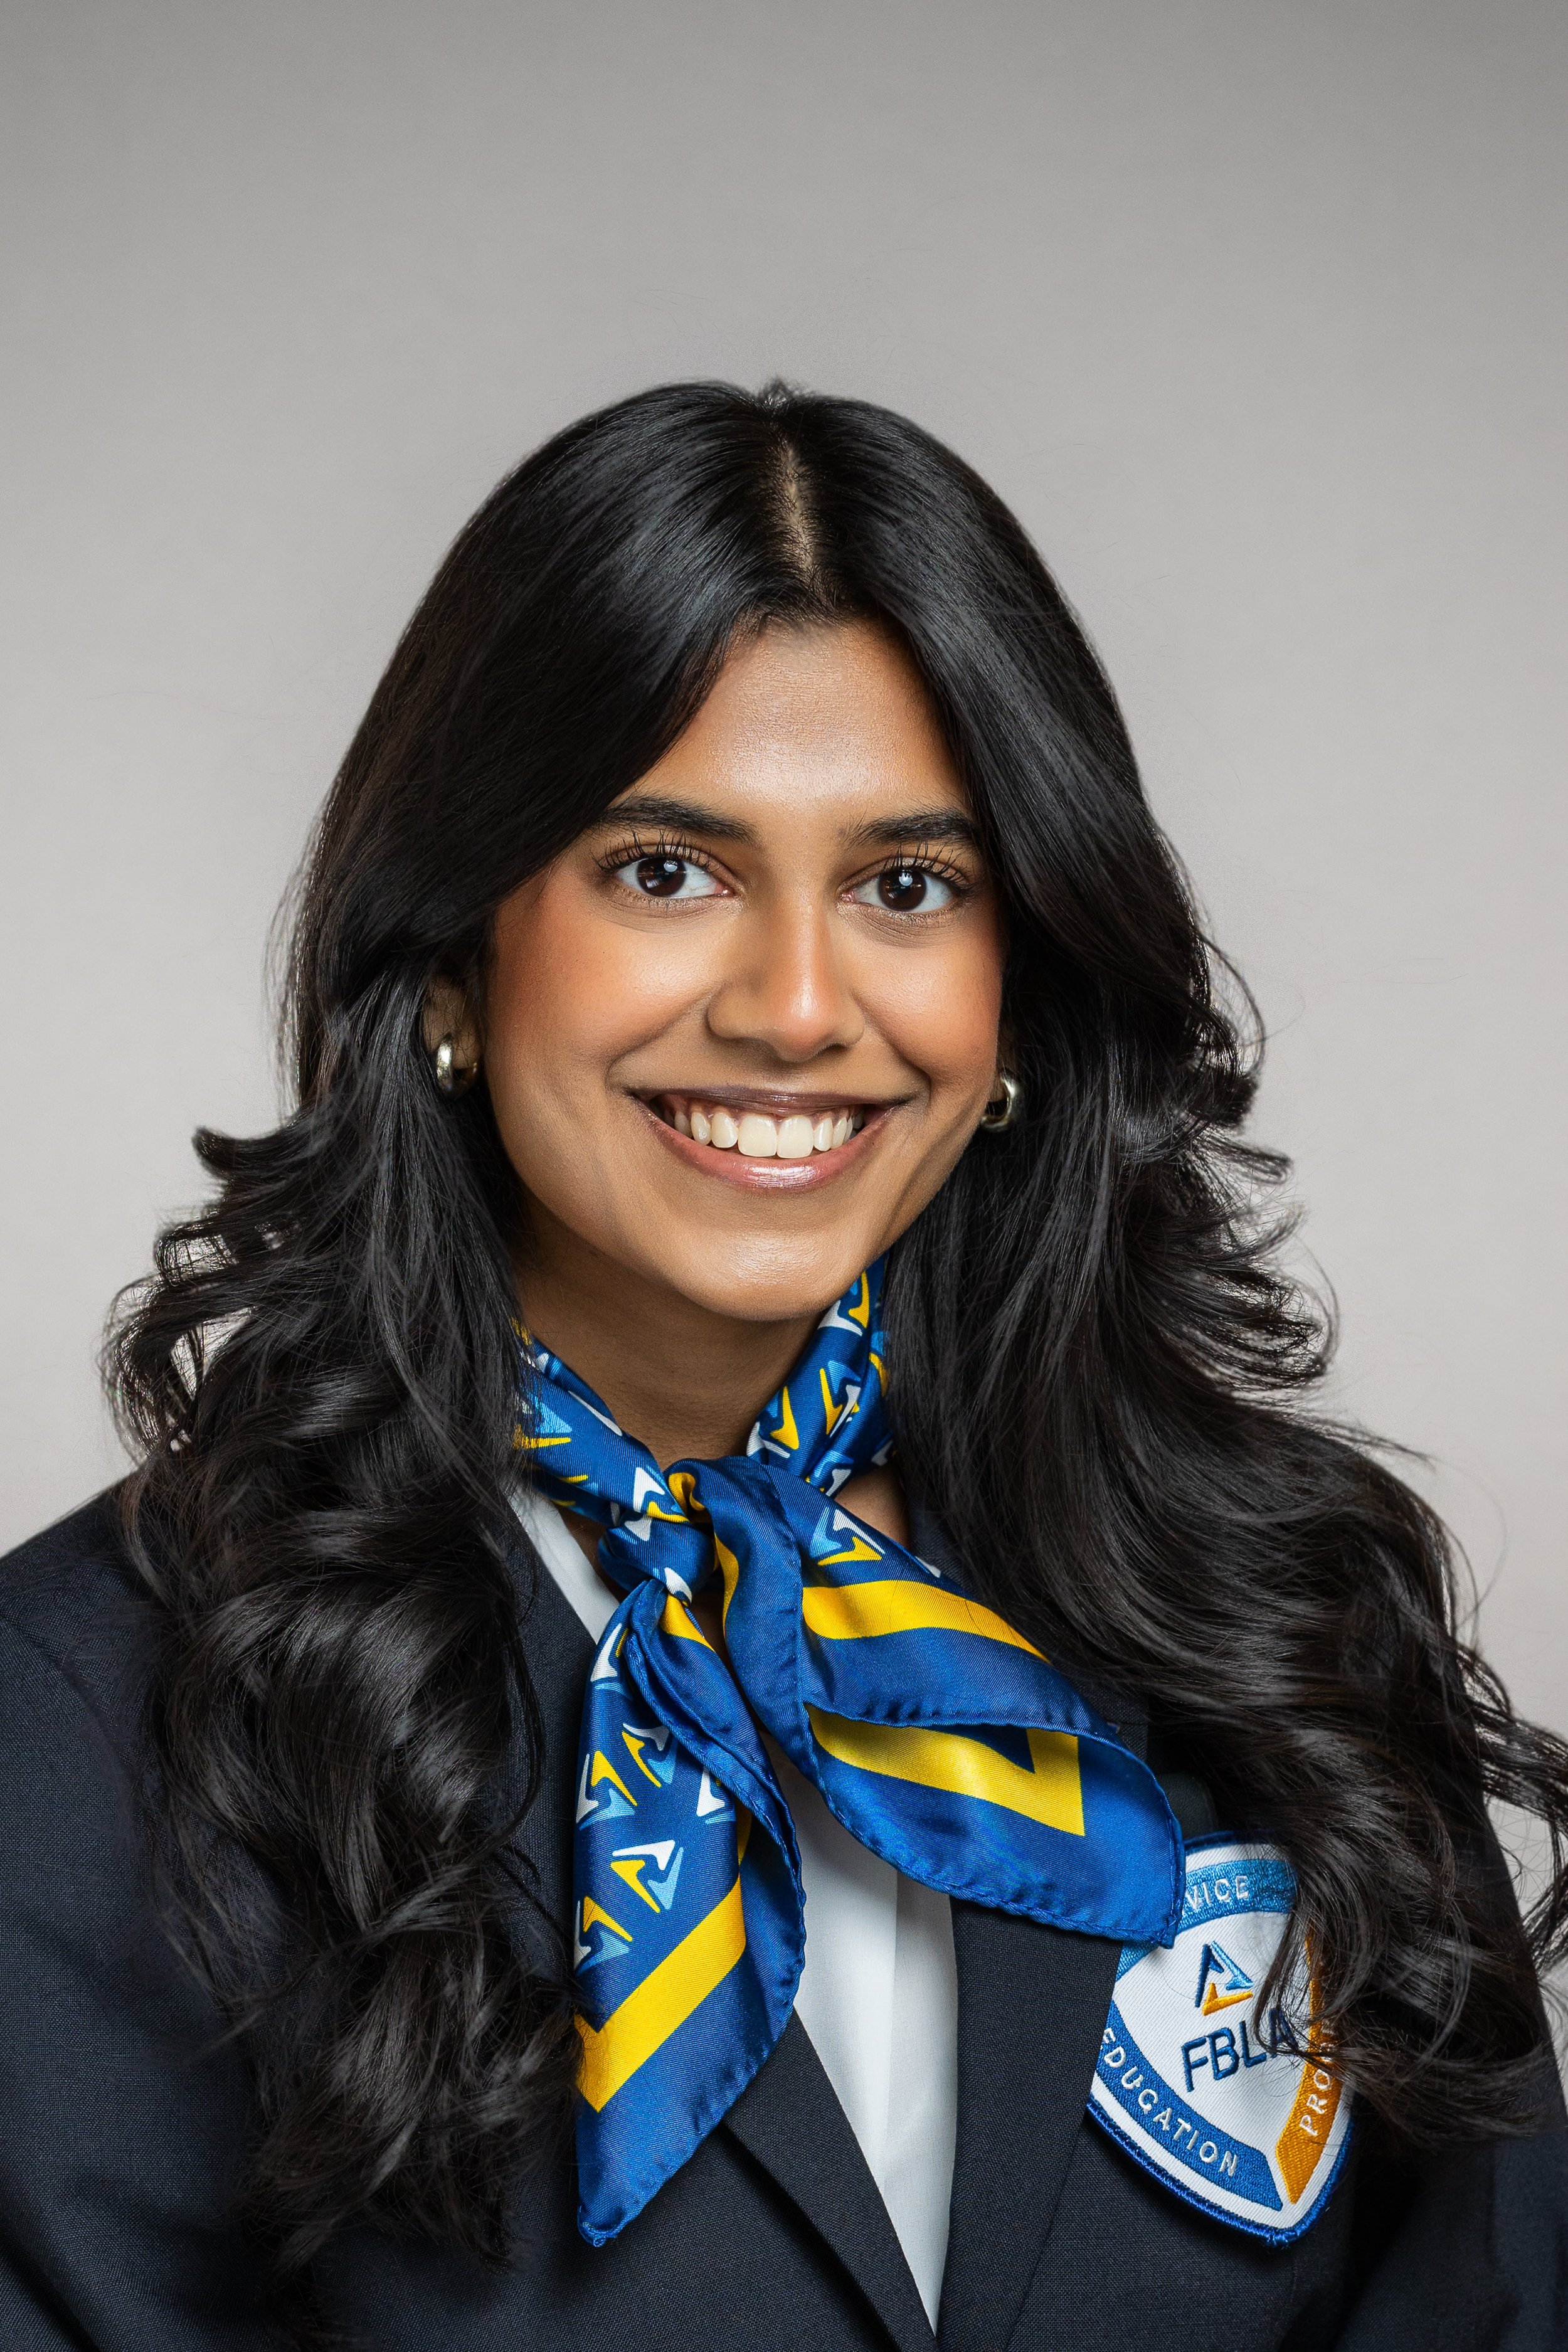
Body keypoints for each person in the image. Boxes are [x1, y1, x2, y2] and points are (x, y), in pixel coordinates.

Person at [1, 380, 1564, 2352]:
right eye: (667, 870)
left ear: (1017, 995)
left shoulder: (1277, 1616)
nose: (798, 1009)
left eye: (908, 886)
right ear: (460, 960)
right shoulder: (73, 1736)